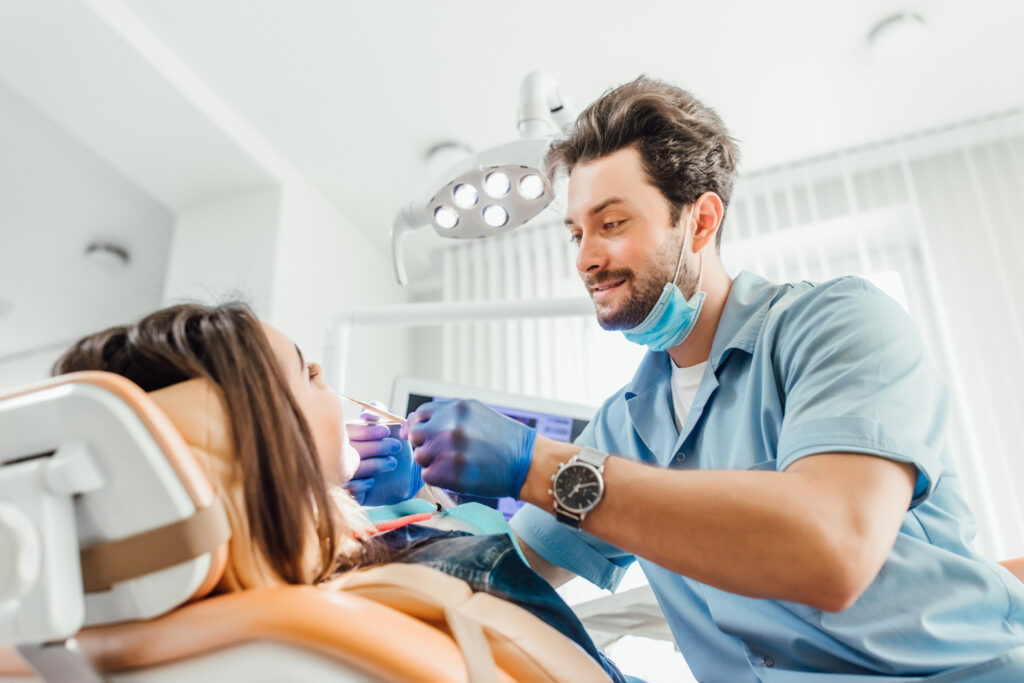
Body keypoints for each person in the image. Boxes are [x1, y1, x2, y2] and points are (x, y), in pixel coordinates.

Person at [351, 77, 1024, 680]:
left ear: (700, 220)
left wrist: (537, 463)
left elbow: (833, 548)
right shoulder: (627, 424)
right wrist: (414, 513)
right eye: (575, 233)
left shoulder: (838, 326)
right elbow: (507, 573)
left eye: (612, 224)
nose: (586, 258)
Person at [52, 301, 626, 681]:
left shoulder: (93, 637)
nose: (325, 376)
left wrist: (424, 503)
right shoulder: (459, 572)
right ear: (263, 437)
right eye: (306, 374)